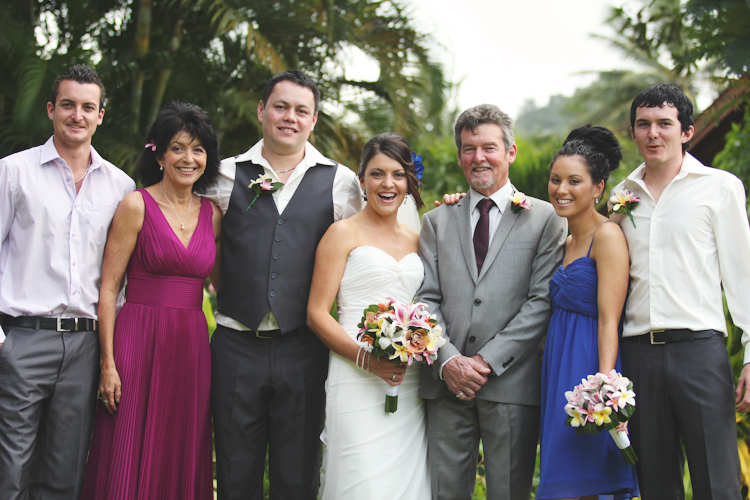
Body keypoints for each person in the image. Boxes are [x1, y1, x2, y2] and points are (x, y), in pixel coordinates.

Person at [204, 69, 364, 500]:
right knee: (237, 474)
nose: (289, 117)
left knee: (298, 477)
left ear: (313, 120)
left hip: (304, 348)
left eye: (301, 110)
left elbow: (371, 243)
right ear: (261, 111)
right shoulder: (222, 175)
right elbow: (206, 249)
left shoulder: (341, 181)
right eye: (280, 106)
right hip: (236, 346)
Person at [418, 104, 567, 500]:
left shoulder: (546, 219)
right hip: (446, 384)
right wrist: (448, 360)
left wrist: (484, 362)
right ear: (459, 156)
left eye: (488, 147)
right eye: (469, 149)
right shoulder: (436, 220)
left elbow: (541, 301)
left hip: (511, 383)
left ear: (511, 152)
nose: (478, 158)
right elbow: (426, 298)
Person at [0, 65, 135, 500]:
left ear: (100, 115)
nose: (77, 115)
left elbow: (121, 278)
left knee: (65, 470)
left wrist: (108, 354)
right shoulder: (13, 173)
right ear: (50, 109)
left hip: (84, 346)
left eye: (87, 107)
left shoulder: (120, 187)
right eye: (68, 105)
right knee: (10, 467)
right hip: (22, 338)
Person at [610, 83, 750, 499]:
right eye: (644, 124)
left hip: (700, 352)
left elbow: (742, 276)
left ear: (686, 131)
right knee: (655, 483)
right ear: (633, 132)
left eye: (664, 124)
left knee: (717, 482)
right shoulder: (621, 197)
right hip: (638, 357)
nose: (653, 133)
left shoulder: (720, 188)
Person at [80, 101, 222, 499]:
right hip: (138, 340)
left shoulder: (212, 214)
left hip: (192, 346)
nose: (188, 158)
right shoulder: (135, 205)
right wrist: (107, 363)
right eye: (177, 147)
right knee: (126, 444)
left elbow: (224, 285)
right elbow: (108, 288)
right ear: (158, 153)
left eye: (197, 149)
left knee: (182, 445)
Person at [307, 132, 430, 499]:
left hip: (407, 380)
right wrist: (366, 359)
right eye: (377, 174)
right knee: (360, 478)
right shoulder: (341, 234)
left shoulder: (418, 238)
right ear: (361, 180)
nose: (387, 184)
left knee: (404, 483)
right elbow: (316, 313)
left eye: (397, 174)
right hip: (354, 371)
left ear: (409, 181)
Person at [536, 125, 639, 499]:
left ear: (597, 188)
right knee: (562, 477)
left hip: (589, 365)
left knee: (587, 478)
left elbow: (611, 318)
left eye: (574, 181)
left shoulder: (607, 236)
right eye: (555, 180)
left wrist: (605, 386)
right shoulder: (563, 241)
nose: (561, 190)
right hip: (558, 364)